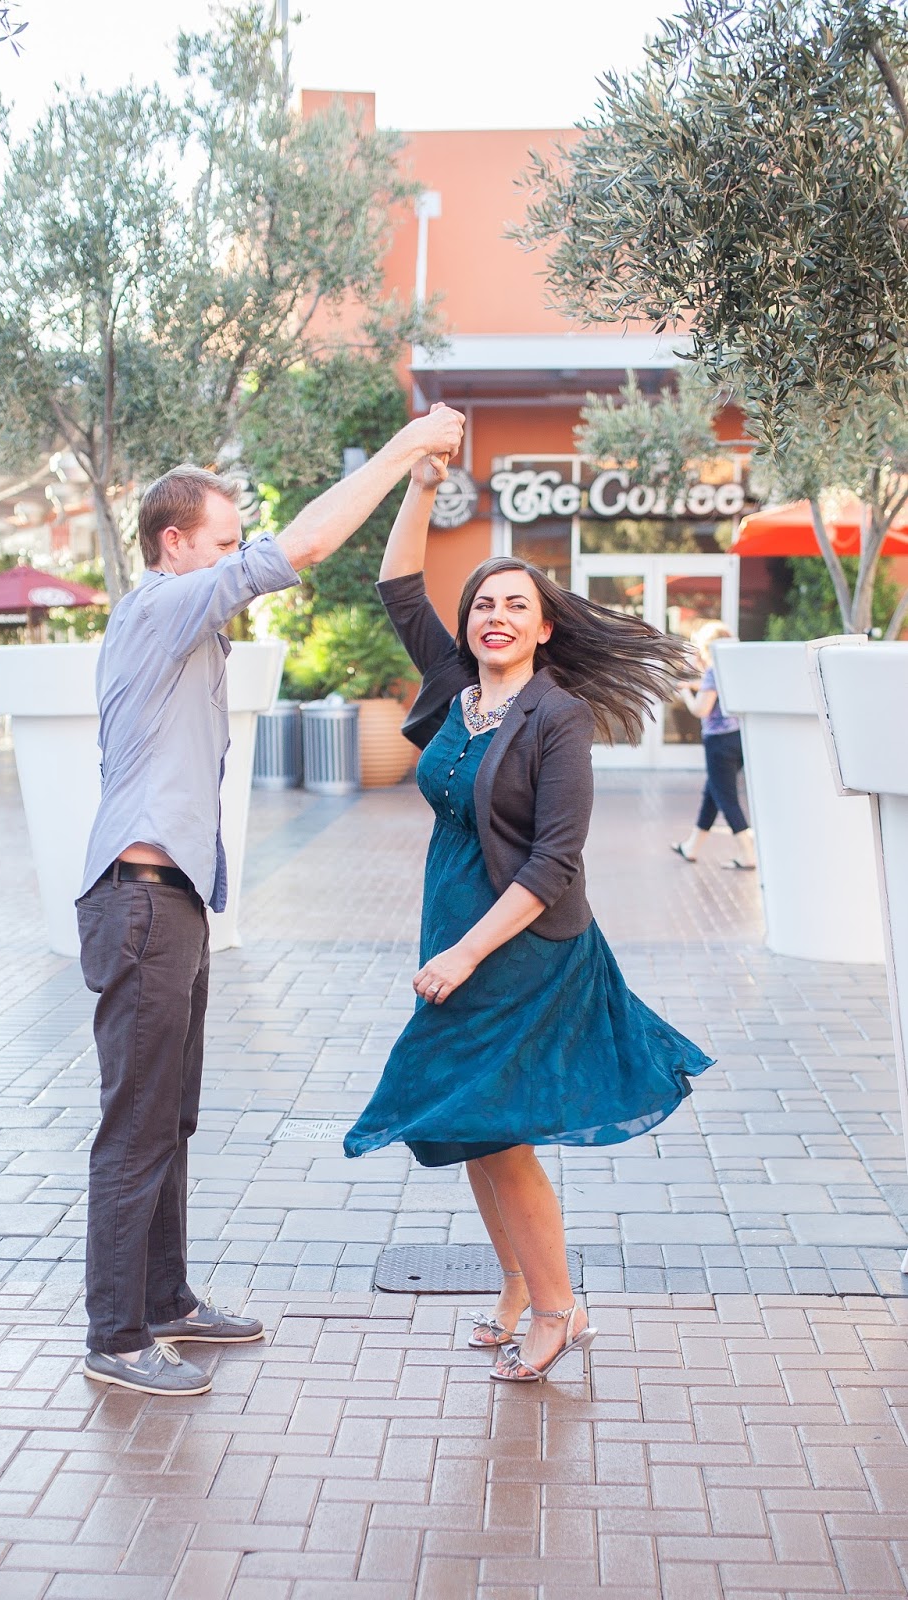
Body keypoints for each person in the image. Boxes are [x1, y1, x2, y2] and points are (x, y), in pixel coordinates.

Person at [76, 404, 467, 1397]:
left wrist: (423, 485)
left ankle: (163, 1301)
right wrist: (407, 444)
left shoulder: (185, 634)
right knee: (135, 1123)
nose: (234, 555)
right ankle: (117, 1336)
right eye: (220, 539)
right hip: (137, 900)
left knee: (169, 1118)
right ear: (175, 545)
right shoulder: (160, 605)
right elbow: (306, 543)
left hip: (167, 902)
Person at [343, 436, 714, 1385]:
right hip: (454, 929)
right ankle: (515, 1288)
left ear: (545, 629)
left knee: (498, 1134)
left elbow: (554, 863)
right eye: (483, 604)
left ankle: (558, 1310)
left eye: (517, 604)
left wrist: (465, 954)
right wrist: (421, 486)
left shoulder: (556, 718)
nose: (495, 615)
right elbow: (394, 582)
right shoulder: (451, 689)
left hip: (521, 947)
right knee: (472, 1125)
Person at [671, 620, 755, 870]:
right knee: (713, 794)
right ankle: (692, 846)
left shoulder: (712, 672)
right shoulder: (734, 669)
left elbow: (701, 709)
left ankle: (747, 853)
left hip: (719, 743)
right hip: (738, 738)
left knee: (726, 798)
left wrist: (685, 693)